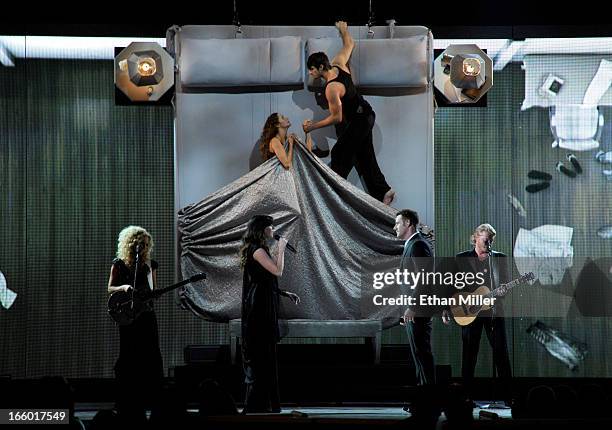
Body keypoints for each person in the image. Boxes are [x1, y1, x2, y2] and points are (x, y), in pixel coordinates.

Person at [304, 21, 395, 205]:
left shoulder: (331, 89)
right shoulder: (339, 63)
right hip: (367, 114)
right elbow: (349, 44)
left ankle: (332, 194)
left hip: (359, 120)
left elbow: (336, 117)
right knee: (365, 156)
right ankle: (385, 192)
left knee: (339, 152)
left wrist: (313, 126)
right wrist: (343, 29)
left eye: (312, 69)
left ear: (321, 68)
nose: (310, 72)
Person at [239, 215, 300, 413]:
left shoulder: (260, 249)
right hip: (258, 310)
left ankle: (266, 403)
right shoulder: (256, 251)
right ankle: (258, 403)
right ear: (263, 229)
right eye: (271, 226)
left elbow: (264, 279)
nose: (273, 229)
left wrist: (284, 293)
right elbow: (277, 271)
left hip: (264, 302)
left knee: (266, 355)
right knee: (261, 355)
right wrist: (281, 248)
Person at [107, 225, 163, 422]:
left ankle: (153, 399)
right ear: (132, 244)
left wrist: (152, 295)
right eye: (141, 243)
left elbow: (154, 290)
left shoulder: (150, 264)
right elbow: (110, 287)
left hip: (146, 315)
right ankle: (126, 400)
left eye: (147, 244)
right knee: (129, 356)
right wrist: (124, 287)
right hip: (130, 317)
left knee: (151, 355)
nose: (144, 246)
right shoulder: (119, 263)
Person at [455, 224, 512, 401]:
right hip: (469, 312)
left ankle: (508, 396)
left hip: (494, 312)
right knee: (469, 354)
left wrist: (504, 290)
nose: (489, 242)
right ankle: (466, 396)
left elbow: (505, 284)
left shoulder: (498, 258)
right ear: (476, 238)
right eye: (485, 239)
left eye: (491, 239)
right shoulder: (461, 258)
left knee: (501, 353)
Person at [395, 209, 439, 386]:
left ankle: (429, 400)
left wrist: (412, 306)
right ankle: (423, 398)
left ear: (408, 224)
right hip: (413, 310)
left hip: (419, 310)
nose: (394, 227)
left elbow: (425, 278)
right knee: (418, 355)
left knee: (422, 354)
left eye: (397, 223)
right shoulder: (413, 244)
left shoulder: (418, 245)